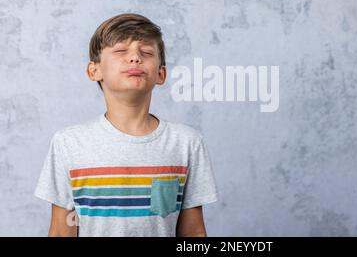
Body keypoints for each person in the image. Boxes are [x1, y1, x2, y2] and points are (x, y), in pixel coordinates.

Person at [34, 13, 219, 237]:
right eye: (121, 51)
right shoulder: (68, 143)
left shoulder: (187, 143)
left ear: (161, 74)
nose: (135, 58)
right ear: (94, 70)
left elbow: (194, 234)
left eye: (147, 52)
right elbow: (62, 232)